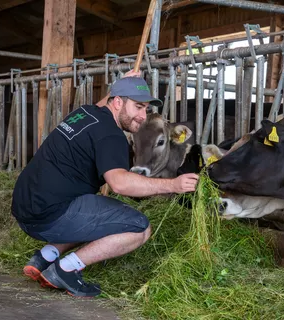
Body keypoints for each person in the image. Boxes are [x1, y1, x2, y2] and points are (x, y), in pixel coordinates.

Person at [11, 70, 199, 298]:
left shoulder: (86, 113)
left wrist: (121, 85)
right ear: (118, 102)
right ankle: (65, 269)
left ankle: (45, 256)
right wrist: (174, 185)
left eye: (146, 109)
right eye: (138, 107)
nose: (143, 115)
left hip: (24, 206)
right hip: (49, 217)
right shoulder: (112, 137)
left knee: (100, 212)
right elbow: (119, 184)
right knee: (139, 227)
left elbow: (104, 106)